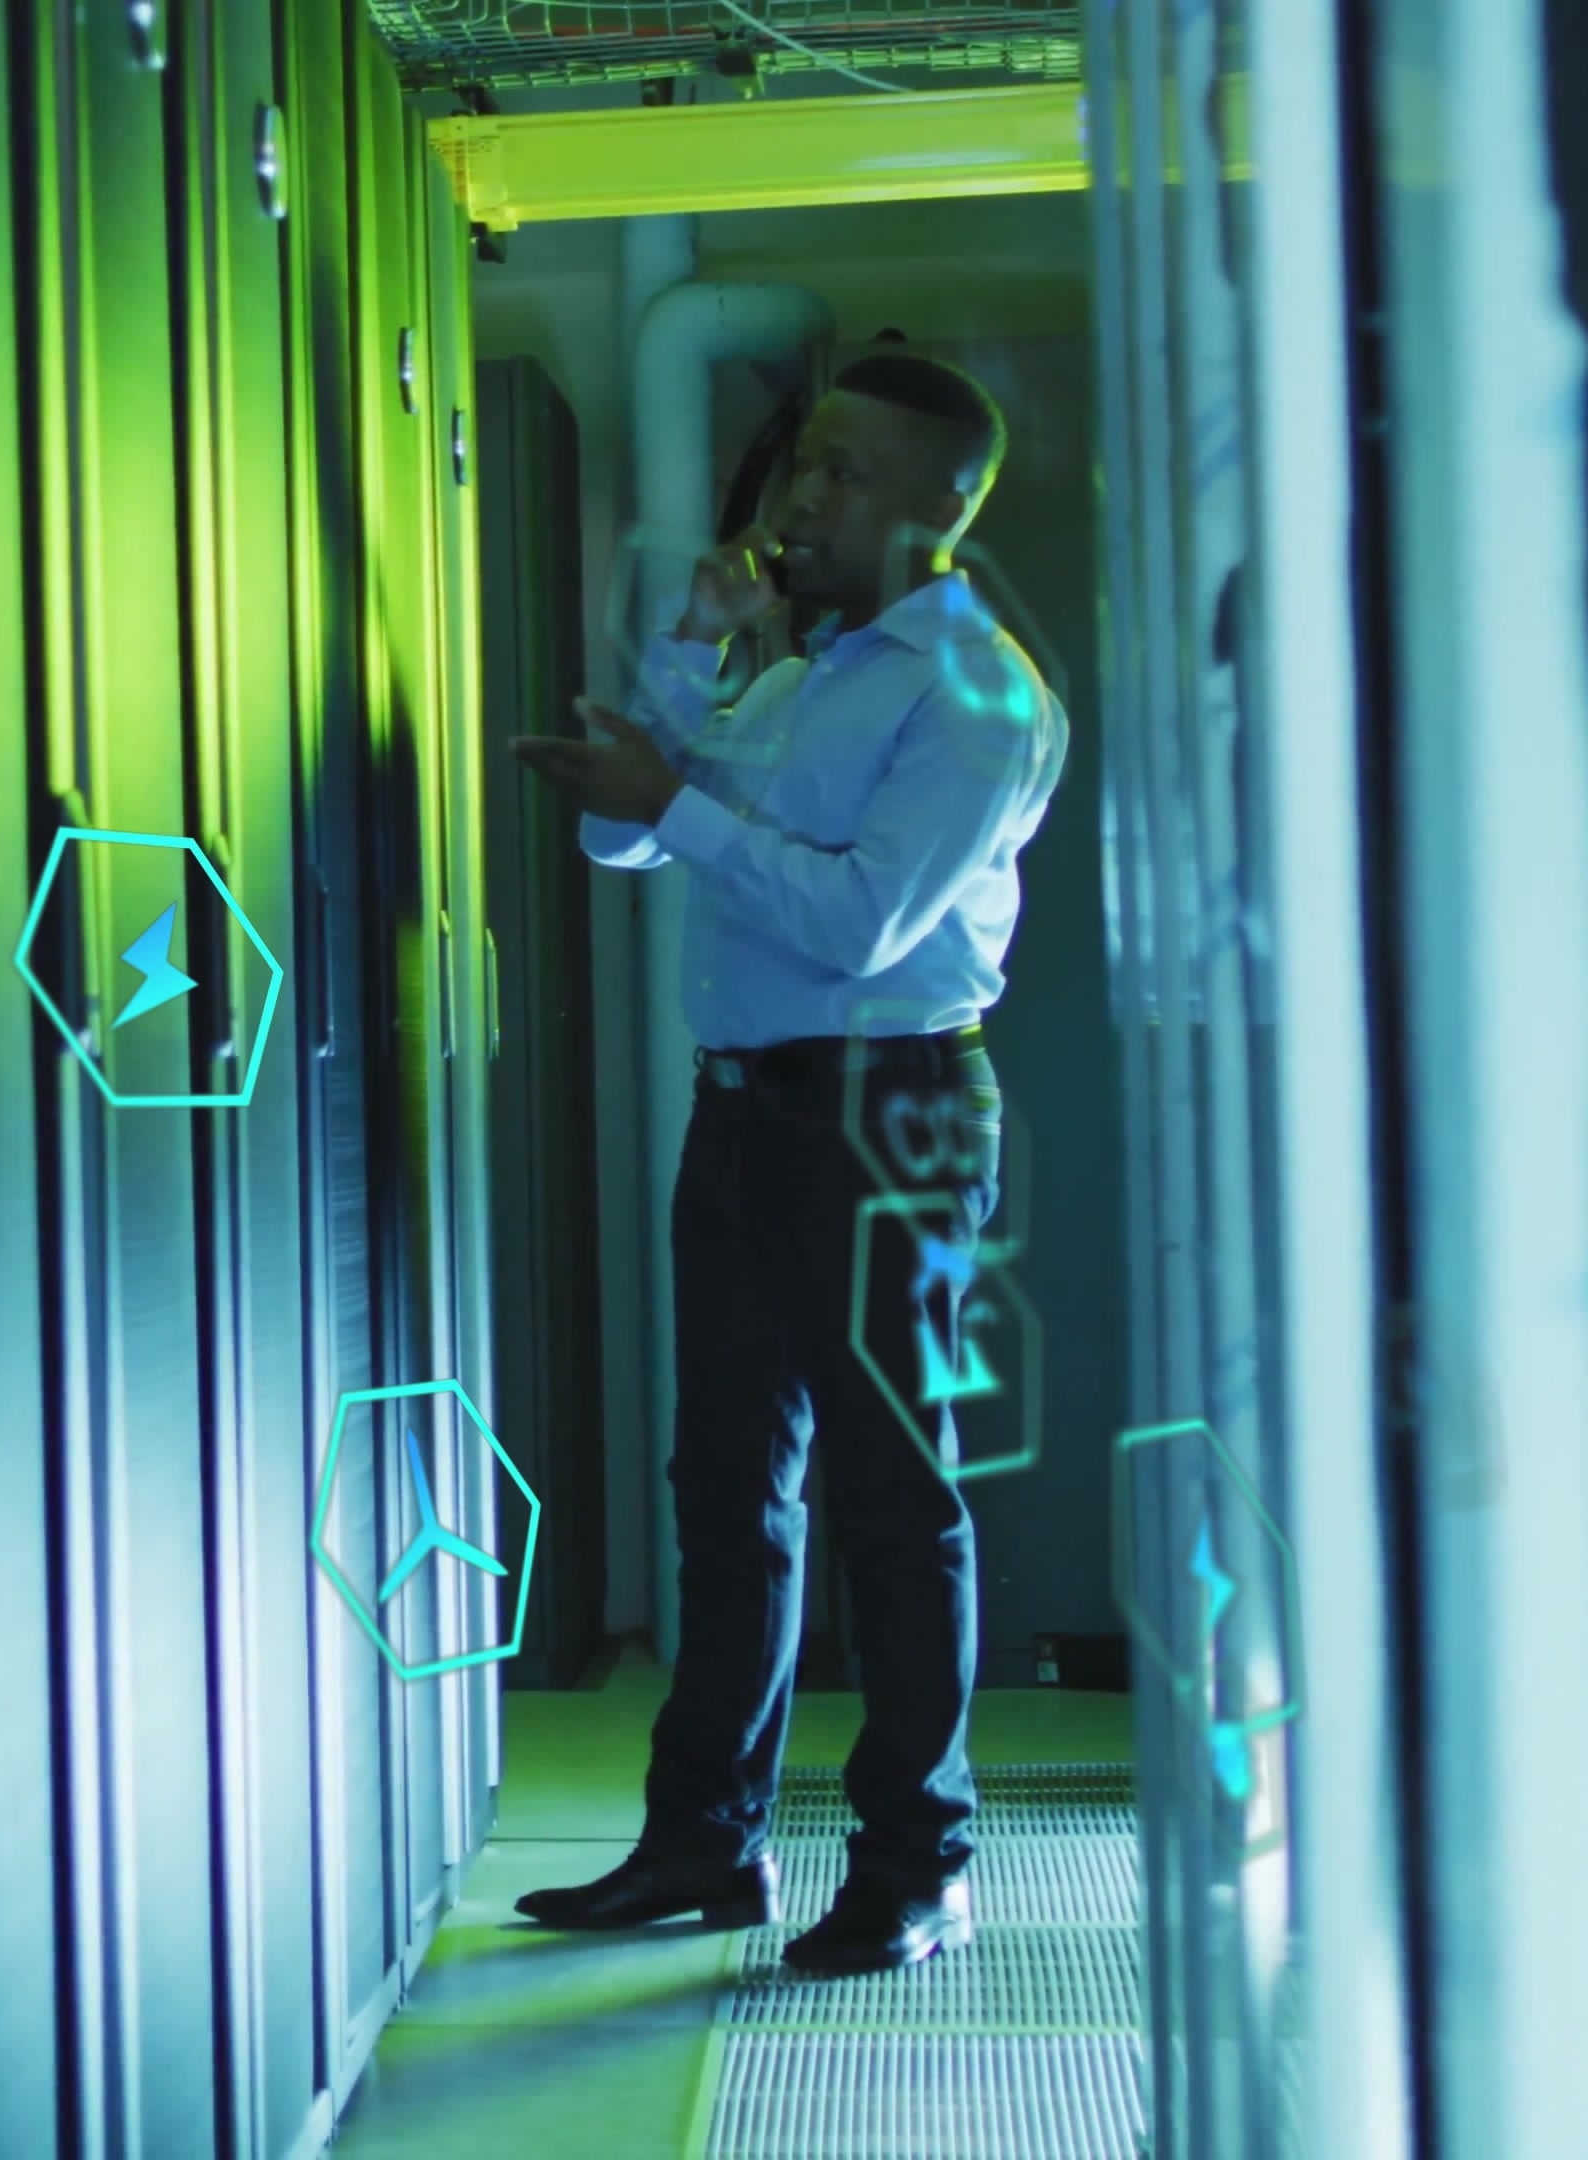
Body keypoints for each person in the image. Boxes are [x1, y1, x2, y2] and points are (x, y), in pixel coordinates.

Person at [504, 350, 1069, 1976]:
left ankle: (917, 1867)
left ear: (939, 508)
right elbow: (621, 838)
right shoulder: (791, 674)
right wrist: (693, 651)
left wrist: (673, 799)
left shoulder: (976, 695)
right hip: (748, 1111)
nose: (801, 498)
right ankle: (706, 1843)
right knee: (726, 1491)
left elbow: (860, 921)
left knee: (893, 1500)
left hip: (890, 1117)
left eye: (843, 474)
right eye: (803, 465)